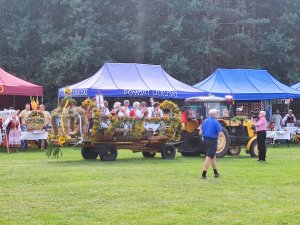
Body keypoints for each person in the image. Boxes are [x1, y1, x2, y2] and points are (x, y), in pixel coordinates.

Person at [199, 109, 224, 179]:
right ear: (213, 114)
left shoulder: (205, 121)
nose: (217, 115)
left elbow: (200, 133)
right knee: (209, 157)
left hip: (204, 141)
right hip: (212, 141)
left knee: (213, 156)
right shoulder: (216, 123)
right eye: (217, 113)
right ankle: (203, 174)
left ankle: (216, 172)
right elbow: (221, 134)